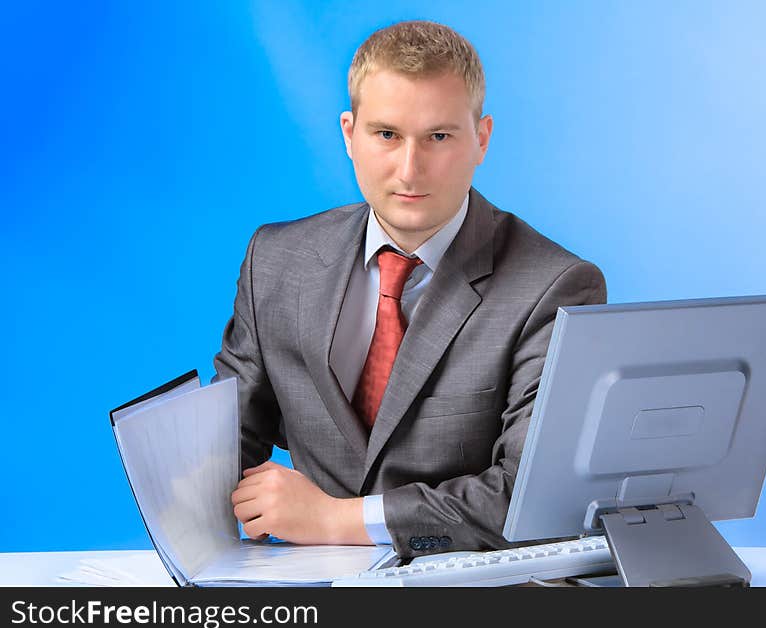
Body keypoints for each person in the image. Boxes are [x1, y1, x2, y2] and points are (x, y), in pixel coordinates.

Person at [215, 20, 606, 559]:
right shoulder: (276, 261)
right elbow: (225, 448)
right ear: (349, 135)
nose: (410, 168)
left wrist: (336, 519)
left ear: (482, 139)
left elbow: (531, 499)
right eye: (387, 135)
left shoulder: (554, 286)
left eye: (439, 136)